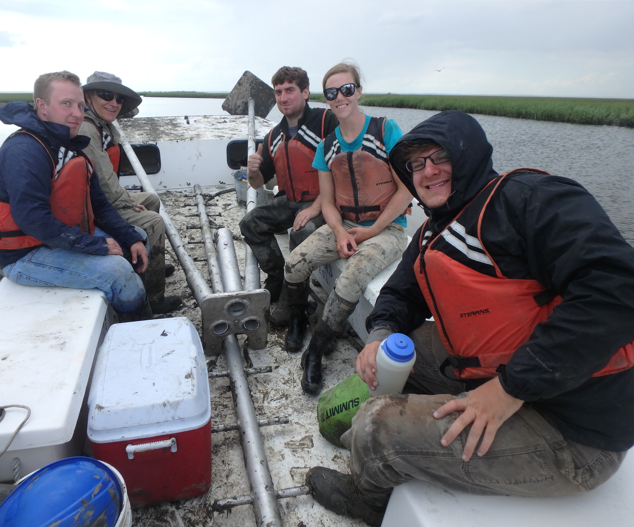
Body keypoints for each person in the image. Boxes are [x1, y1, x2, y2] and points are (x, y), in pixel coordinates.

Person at [304, 110, 634, 526]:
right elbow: (402, 291)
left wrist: (509, 389)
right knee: (396, 350)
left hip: (574, 429)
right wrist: (379, 336)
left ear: (470, 155)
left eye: (440, 156)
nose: (428, 171)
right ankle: (391, 427)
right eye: (416, 165)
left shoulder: (531, 199)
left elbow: (617, 289)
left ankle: (368, 499)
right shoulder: (434, 230)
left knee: (377, 427)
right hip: (493, 370)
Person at [0, 71, 151, 319]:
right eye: (66, 104)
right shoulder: (25, 151)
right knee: (119, 271)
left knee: (138, 237)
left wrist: (130, 238)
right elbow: (32, 218)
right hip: (22, 254)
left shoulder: (70, 146)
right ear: (42, 106)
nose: (77, 113)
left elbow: (99, 204)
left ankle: (135, 300)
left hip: (54, 237)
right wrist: (95, 245)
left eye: (80, 105)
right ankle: (137, 325)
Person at [281, 63, 413, 394]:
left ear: (358, 91)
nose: (340, 97)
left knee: (352, 277)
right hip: (345, 223)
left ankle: (316, 351)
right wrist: (340, 232)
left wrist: (372, 231)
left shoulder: (386, 130)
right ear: (325, 99)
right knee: (295, 263)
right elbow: (327, 202)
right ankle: (298, 320)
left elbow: (406, 189)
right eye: (332, 93)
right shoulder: (327, 146)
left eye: (347, 89)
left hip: (387, 229)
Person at [80, 71, 180, 314]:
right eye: (105, 95)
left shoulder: (101, 124)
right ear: (88, 96)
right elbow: (104, 182)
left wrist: (126, 201)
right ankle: (154, 298)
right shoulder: (87, 129)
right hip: (92, 208)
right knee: (154, 222)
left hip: (101, 199)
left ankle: (150, 261)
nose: (113, 103)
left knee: (150, 199)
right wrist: (126, 204)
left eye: (118, 98)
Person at [239, 66, 338, 309]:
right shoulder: (273, 136)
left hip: (324, 202)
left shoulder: (327, 122)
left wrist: (316, 208)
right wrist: (252, 170)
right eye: (278, 92)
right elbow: (258, 183)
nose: (283, 97)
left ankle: (295, 304)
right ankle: (277, 276)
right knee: (250, 223)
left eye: (290, 90)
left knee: (301, 232)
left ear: (305, 92)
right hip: (289, 201)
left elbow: (343, 172)